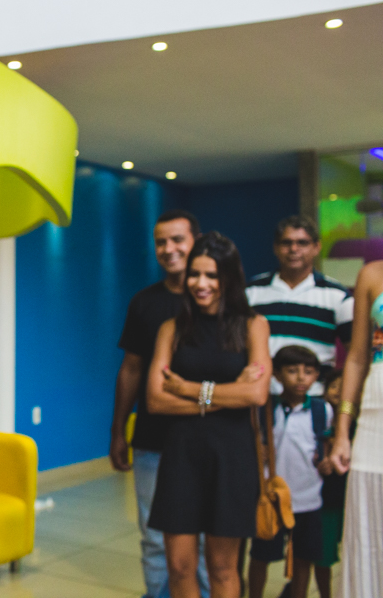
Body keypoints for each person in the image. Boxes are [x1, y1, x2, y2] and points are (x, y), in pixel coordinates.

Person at [147, 232, 271, 598]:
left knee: (222, 567)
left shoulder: (253, 325)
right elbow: (156, 400)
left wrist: (188, 388)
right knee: (180, 566)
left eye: (212, 276)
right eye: (195, 275)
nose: (201, 284)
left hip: (232, 456)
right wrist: (226, 393)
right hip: (182, 454)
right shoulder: (172, 329)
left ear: (229, 279)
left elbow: (257, 392)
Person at [110, 209, 210, 598]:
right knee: (153, 536)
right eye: (161, 242)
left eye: (177, 240)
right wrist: (118, 430)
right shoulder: (145, 303)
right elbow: (131, 369)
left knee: (200, 536)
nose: (169, 249)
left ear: (196, 241)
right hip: (152, 440)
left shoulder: (214, 302)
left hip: (204, 438)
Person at [247, 345, 332, 598]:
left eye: (308, 372)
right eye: (292, 371)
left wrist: (326, 461)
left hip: (308, 499)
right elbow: (254, 439)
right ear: (277, 375)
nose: (301, 378)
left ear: (317, 375)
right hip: (271, 498)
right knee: (261, 555)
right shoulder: (265, 407)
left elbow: (323, 446)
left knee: (304, 558)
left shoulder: (322, 410)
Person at [246, 216, 353, 395]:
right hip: (261, 397)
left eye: (302, 243)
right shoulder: (251, 292)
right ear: (275, 248)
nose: (293, 249)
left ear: (316, 247)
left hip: (315, 400)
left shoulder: (338, 296)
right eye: (286, 243)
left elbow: (357, 355)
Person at [329, 260, 383, 597]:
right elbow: (357, 357)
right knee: (368, 529)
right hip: (375, 416)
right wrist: (342, 432)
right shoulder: (372, 274)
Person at [314, 369, 346, 598]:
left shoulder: (362, 423)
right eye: (335, 386)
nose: (339, 391)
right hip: (325, 498)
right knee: (323, 555)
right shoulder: (318, 417)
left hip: (349, 498)